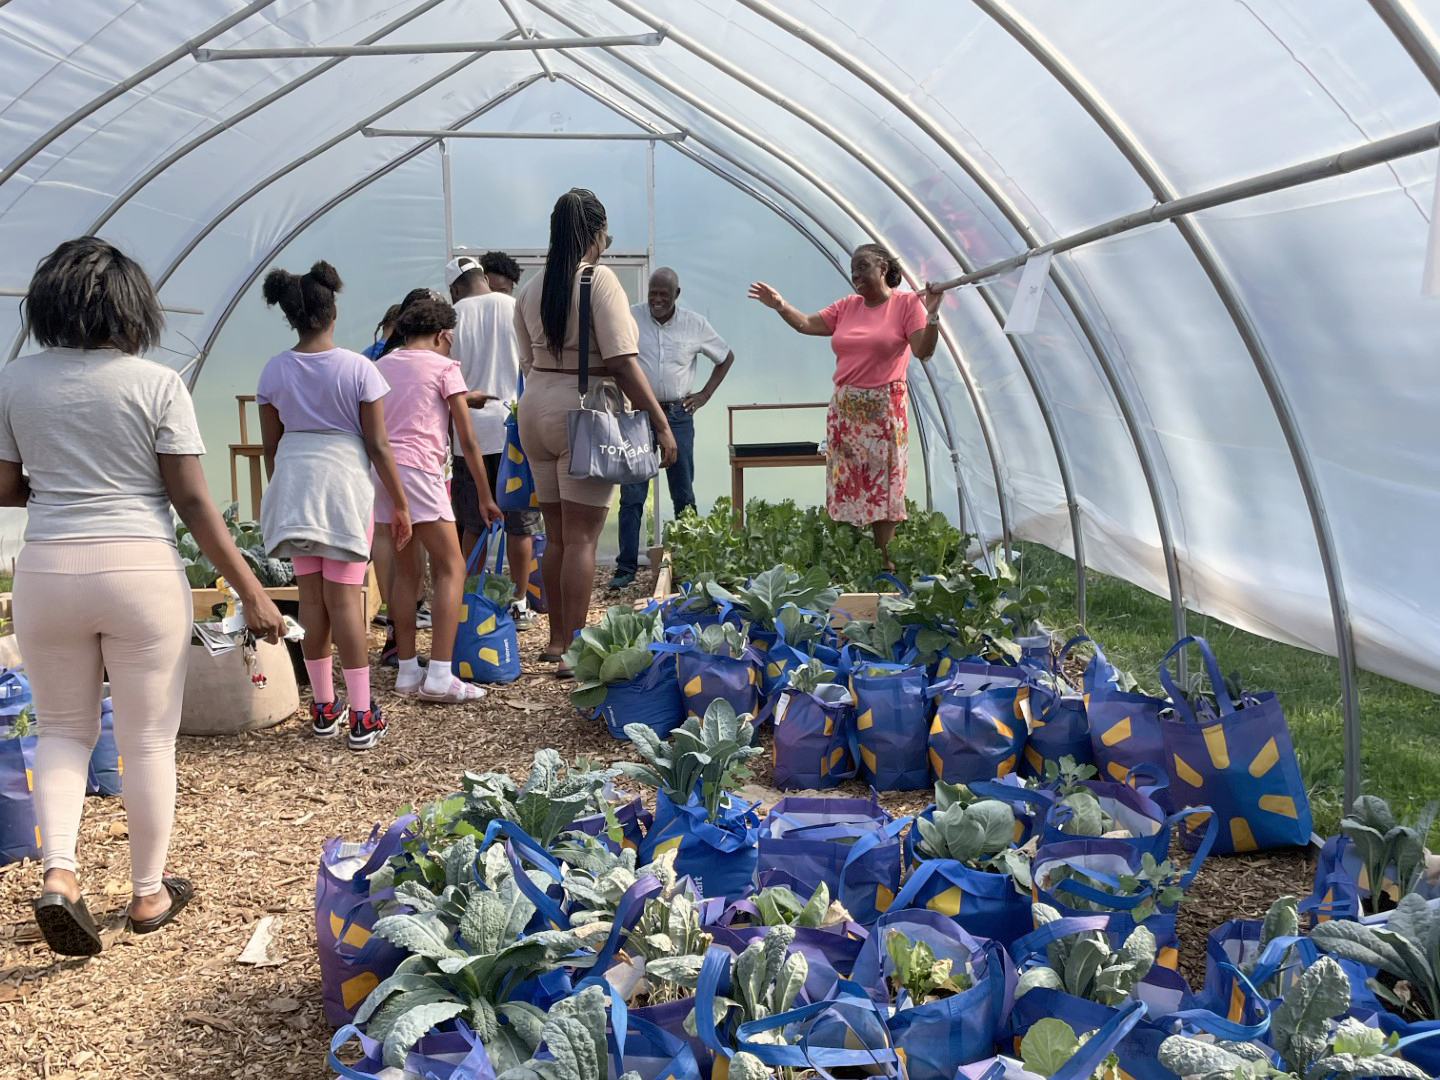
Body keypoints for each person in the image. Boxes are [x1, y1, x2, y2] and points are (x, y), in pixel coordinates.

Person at [0, 236, 287, 955]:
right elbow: (192, 500)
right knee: (148, 739)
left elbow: (4, 487)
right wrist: (249, 587)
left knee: (64, 729)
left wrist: (51, 482)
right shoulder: (156, 384)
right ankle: (148, 893)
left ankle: (61, 876)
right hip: (139, 568)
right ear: (131, 308)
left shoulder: (15, 381)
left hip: (47, 570)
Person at [514, 189, 677, 678]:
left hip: (536, 404)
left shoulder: (532, 286)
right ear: (596, 232)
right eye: (606, 233)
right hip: (581, 410)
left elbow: (525, 359)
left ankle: (555, 641)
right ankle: (572, 651)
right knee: (583, 538)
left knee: (558, 534)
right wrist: (660, 421)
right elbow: (623, 363)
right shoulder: (598, 280)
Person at [257, 261, 412, 751]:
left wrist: (282, 493)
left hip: (296, 484)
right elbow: (379, 446)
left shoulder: (274, 370)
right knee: (346, 598)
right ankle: (363, 714)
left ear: (291, 317)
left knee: (311, 598)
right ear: (333, 310)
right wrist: (402, 505)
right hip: (343, 488)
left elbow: (271, 447)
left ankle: (324, 707)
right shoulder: (358, 368)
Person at [748, 243, 942, 567]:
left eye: (863, 266)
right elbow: (807, 324)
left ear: (883, 268)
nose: (856, 274)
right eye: (853, 269)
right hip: (846, 412)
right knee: (847, 483)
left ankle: (884, 563)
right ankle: (852, 560)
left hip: (884, 412)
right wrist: (780, 305)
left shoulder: (906, 304)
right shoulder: (847, 307)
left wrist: (933, 313)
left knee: (883, 485)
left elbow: (923, 350)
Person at [375, 297, 499, 702]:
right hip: (421, 474)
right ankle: (441, 676)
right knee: (451, 567)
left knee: (408, 570)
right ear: (445, 335)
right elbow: (467, 439)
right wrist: (484, 494)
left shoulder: (379, 367)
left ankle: (408, 671)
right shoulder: (445, 369)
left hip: (382, 476)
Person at [612, 267, 734, 589]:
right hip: (639, 414)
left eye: (664, 294)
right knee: (633, 493)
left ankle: (690, 560)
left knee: (683, 491)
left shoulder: (695, 324)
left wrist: (705, 394)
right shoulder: (631, 317)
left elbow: (725, 356)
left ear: (676, 294)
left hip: (678, 414)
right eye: (653, 292)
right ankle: (625, 567)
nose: (656, 299)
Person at [446, 254, 541, 629]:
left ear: (455, 287)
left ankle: (469, 599)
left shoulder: (453, 318)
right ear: (483, 277)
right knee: (520, 522)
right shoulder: (514, 307)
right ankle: (518, 602)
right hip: (514, 430)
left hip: (469, 433)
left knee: (473, 522)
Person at [374, 286, 444, 664]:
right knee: (437, 559)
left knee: (391, 540)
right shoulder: (431, 361)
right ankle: (417, 636)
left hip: (380, 463)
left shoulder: (378, 359)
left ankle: (396, 634)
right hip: (418, 463)